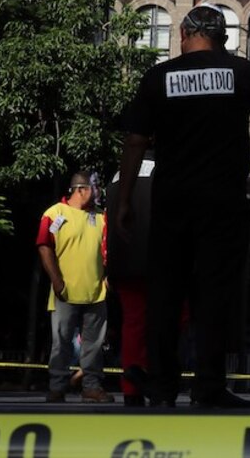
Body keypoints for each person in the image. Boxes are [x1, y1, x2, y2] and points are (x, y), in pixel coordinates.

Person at [118, 4, 250, 408]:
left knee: (165, 294)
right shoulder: (239, 72)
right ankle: (208, 387)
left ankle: (163, 387)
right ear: (222, 37)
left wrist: (125, 200)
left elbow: (135, 141)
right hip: (222, 202)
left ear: (183, 33)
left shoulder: (157, 77)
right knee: (215, 295)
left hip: (172, 202)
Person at [37, 172, 113, 404]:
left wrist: (108, 277)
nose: (98, 191)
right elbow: (44, 246)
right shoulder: (54, 214)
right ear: (80, 189)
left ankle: (91, 386)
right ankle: (57, 387)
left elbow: (111, 250)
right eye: (94, 187)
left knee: (94, 345)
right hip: (65, 292)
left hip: (96, 292)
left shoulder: (101, 217)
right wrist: (57, 280)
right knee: (61, 342)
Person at [105, 150, 155, 407]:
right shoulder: (164, 171)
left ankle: (131, 387)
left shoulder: (116, 177)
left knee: (132, 323)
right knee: (173, 318)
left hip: (123, 261)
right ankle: (151, 375)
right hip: (156, 259)